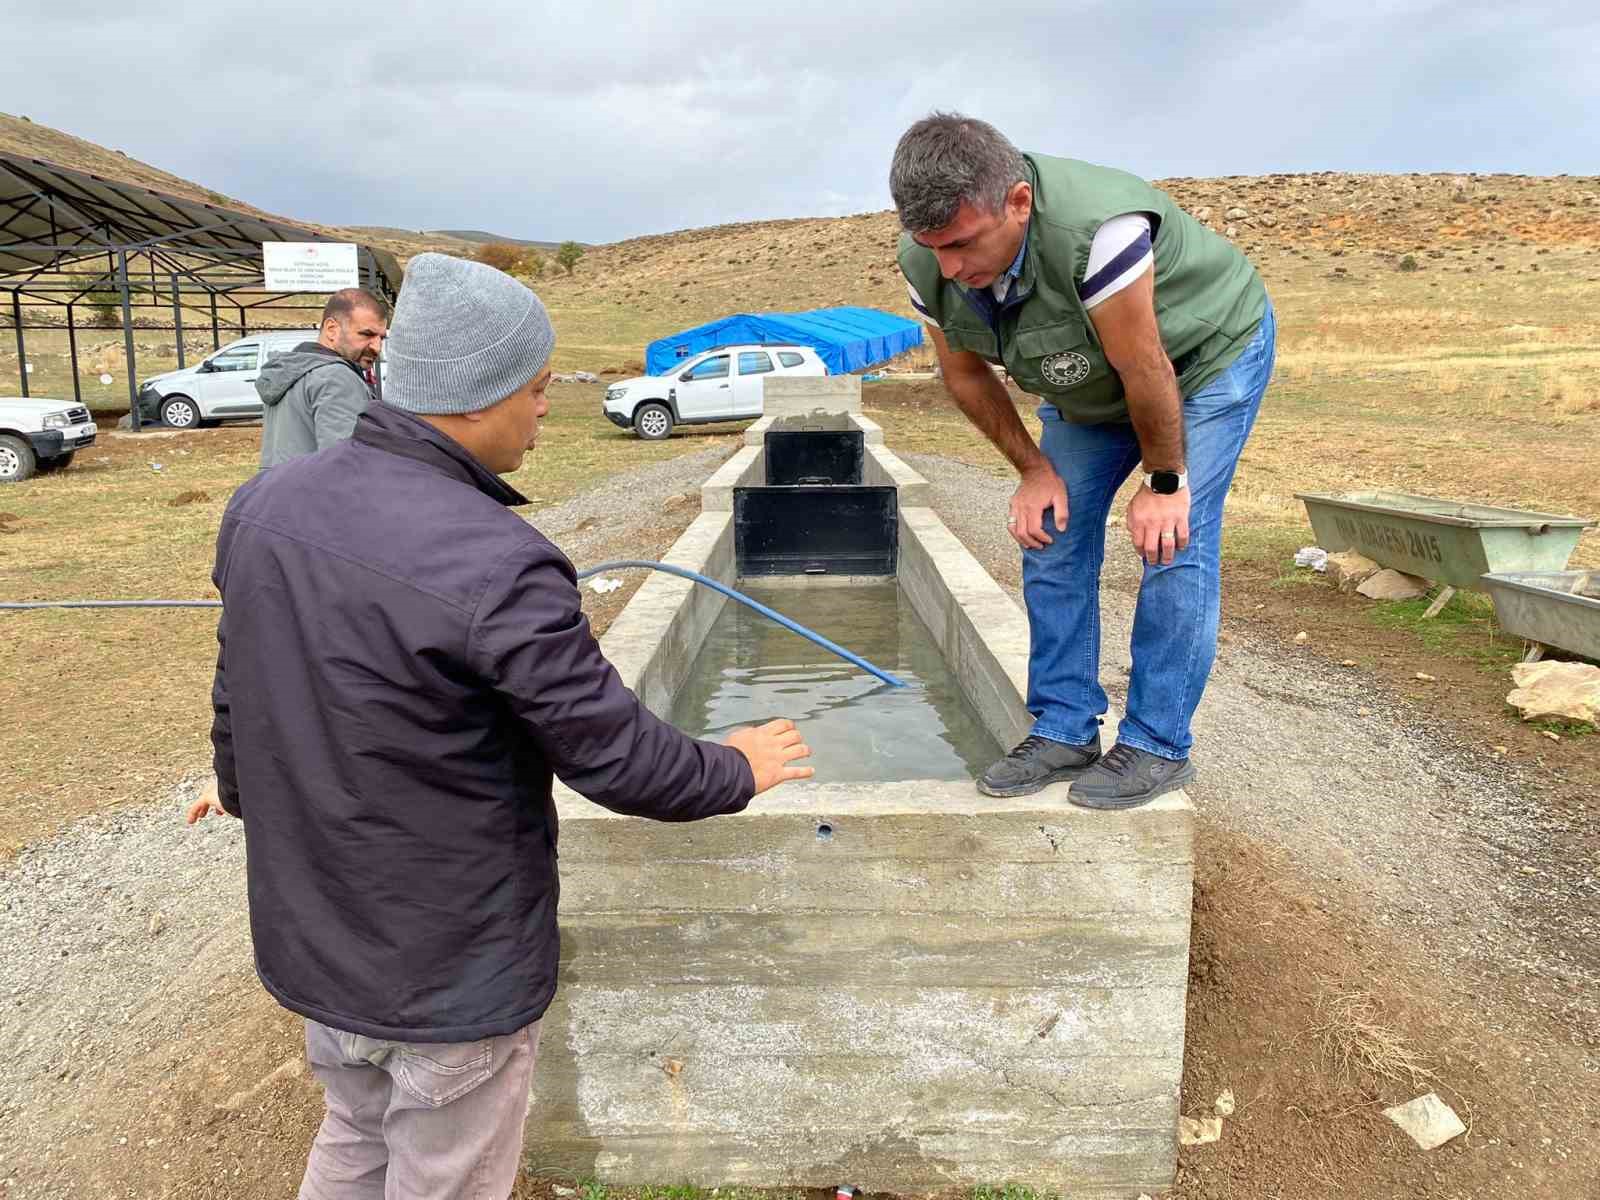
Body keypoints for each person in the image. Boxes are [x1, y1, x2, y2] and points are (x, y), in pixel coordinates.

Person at [192, 253, 813, 1199]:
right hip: (448, 970)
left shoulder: (265, 507)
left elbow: (239, 690)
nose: (545, 409)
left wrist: (237, 787)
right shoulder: (502, 561)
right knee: (444, 1172)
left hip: (317, 940)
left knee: (355, 1132)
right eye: (537, 387)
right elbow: (620, 761)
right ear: (478, 396)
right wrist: (737, 764)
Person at [891, 113, 1276, 809]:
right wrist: (1034, 471)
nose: (950, 267)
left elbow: (1146, 365)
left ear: (1018, 202)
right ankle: (1065, 726)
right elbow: (969, 376)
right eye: (932, 247)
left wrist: (1164, 481)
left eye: (962, 244)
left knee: (1173, 542)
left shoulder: (1100, 235)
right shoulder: (928, 260)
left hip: (1201, 360)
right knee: (1052, 531)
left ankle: (1158, 745)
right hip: (1093, 385)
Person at [255, 287, 389, 469]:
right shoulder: (336, 377)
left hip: (278, 492)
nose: (377, 347)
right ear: (332, 329)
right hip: (315, 495)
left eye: (381, 338)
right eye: (367, 334)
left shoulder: (290, 371)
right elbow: (346, 467)